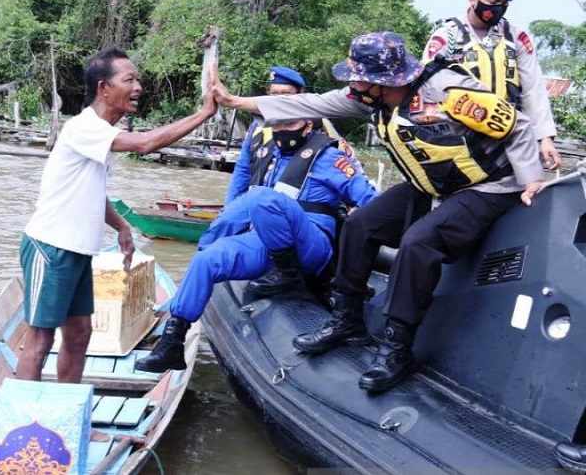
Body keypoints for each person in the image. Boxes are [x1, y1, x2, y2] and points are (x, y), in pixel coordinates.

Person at [211, 31, 545, 393]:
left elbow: (518, 127)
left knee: (419, 243)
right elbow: (313, 104)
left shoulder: (449, 92)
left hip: (487, 185)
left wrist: (531, 180)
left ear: (383, 82)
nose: (352, 85)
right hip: (436, 183)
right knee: (359, 224)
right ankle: (347, 317)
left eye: (358, 78)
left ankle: (397, 348)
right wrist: (234, 101)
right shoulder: (372, 100)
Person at [16, 47, 217, 383]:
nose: (138, 86)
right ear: (103, 88)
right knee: (39, 341)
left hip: (78, 251)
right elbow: (144, 144)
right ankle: (23, 427)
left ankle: (67, 413)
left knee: (79, 334)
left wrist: (121, 226)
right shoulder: (84, 127)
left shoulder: (100, 133)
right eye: (129, 79)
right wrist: (204, 113)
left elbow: (90, 190)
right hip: (49, 248)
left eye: (138, 79)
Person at [134, 118, 379, 373]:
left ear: (307, 126)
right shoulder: (270, 155)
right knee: (208, 257)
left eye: (289, 124)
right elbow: (237, 208)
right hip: (271, 241)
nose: (281, 131)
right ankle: (173, 341)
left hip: (312, 242)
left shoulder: (329, 157)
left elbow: (371, 199)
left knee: (260, 196)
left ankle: (289, 274)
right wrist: (209, 241)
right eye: (277, 125)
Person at [422, 0, 561, 170]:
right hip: (460, 139)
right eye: (493, 2)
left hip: (508, 135)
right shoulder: (447, 38)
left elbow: (533, 89)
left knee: (520, 192)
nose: (497, 9)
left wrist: (544, 137)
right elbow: (425, 90)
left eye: (503, 5)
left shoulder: (515, 38)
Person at [225, 66, 306, 204]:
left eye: (286, 94)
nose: (279, 99)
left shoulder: (316, 125)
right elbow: (243, 170)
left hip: (296, 211)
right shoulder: (258, 127)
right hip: (256, 205)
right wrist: (229, 208)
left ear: (299, 95)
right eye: (274, 94)